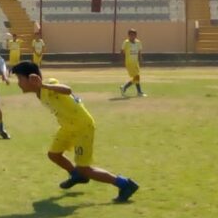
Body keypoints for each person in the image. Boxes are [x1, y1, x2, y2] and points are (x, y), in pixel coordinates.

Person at [11, 61, 139, 202]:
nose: (18, 83)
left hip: (82, 126)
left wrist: (43, 85)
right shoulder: (39, 93)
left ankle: (125, 184)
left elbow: (67, 90)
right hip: (67, 127)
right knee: (54, 155)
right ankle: (76, 175)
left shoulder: (49, 85)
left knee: (85, 168)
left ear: (31, 78)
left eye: (19, 79)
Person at [119, 28, 145, 97]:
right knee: (137, 76)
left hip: (136, 62)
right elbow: (122, 51)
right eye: (131, 35)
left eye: (134, 35)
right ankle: (136, 91)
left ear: (136, 35)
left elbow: (139, 51)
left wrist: (140, 59)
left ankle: (124, 87)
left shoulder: (138, 42)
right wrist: (122, 60)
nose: (132, 36)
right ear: (128, 35)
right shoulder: (126, 42)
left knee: (136, 77)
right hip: (129, 63)